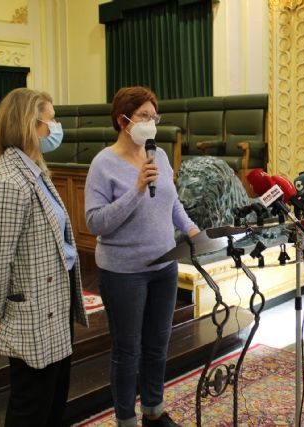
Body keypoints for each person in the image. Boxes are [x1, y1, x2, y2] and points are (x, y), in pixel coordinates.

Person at [85, 86, 199, 427]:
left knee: (156, 346)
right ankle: (125, 419)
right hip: (124, 272)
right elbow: (95, 222)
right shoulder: (103, 164)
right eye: (143, 117)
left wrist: (194, 232)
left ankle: (154, 411)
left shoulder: (159, 156)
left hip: (164, 265)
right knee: (127, 351)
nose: (151, 123)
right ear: (123, 121)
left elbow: (172, 203)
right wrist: (135, 190)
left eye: (154, 117)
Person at [0, 88, 87, 426]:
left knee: (53, 400)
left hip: (54, 302)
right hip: (32, 310)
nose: (56, 127)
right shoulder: (9, 180)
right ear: (30, 123)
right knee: (31, 407)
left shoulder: (34, 169)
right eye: (51, 120)